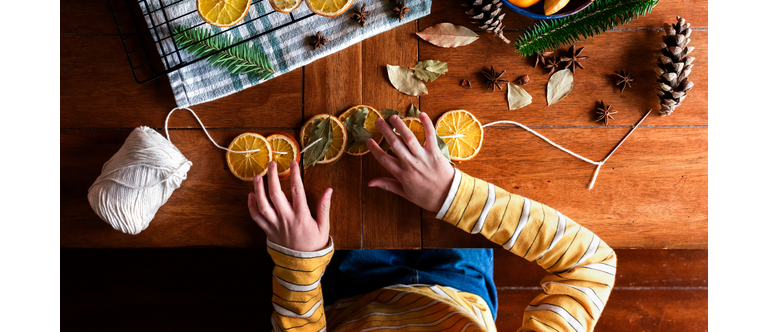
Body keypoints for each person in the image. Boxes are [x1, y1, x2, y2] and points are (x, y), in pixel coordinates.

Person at [248, 112, 616, 332]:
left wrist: (300, 262)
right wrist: (452, 194)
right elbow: (591, 265)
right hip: (461, 285)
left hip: (351, 290)